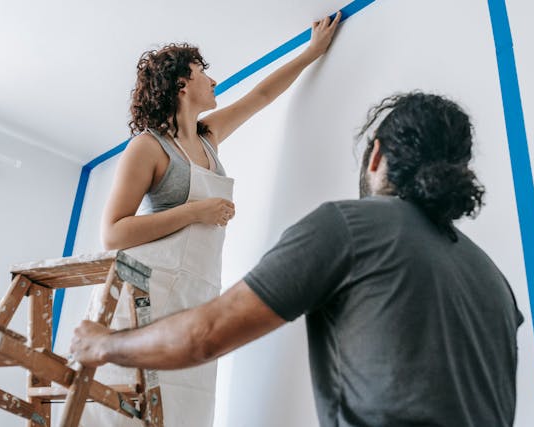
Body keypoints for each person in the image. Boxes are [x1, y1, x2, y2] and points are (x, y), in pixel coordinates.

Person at [72, 92, 524, 427]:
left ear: (378, 155)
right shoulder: (494, 281)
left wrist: (103, 344)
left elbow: (204, 336)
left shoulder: (349, 226)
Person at [78, 12, 342, 427]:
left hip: (194, 295)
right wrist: (195, 211)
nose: (213, 81)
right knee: (123, 406)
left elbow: (260, 96)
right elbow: (113, 232)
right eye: (204, 72)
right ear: (182, 85)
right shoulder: (147, 147)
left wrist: (311, 53)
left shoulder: (208, 136)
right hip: (143, 296)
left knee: (185, 405)